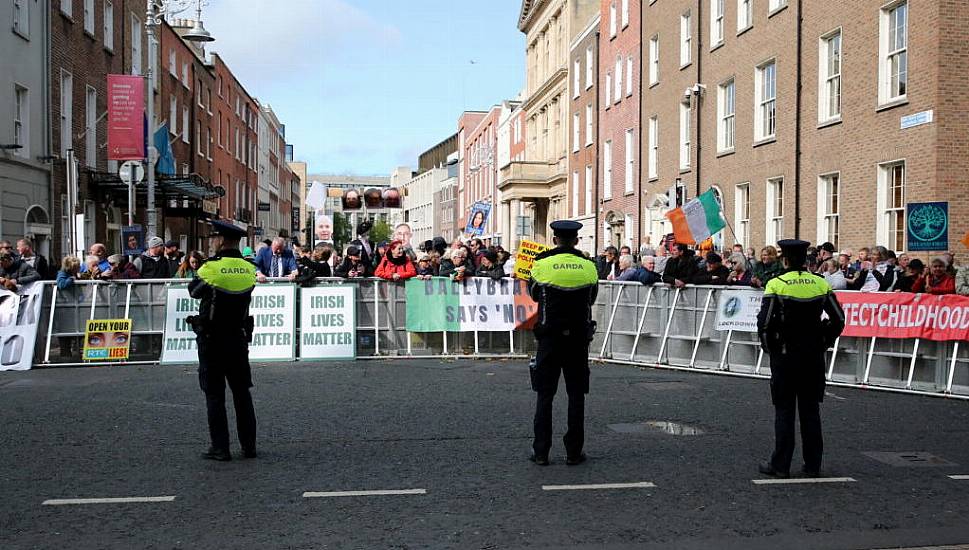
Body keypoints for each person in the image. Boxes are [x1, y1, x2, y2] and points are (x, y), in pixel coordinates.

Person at [757, 239, 845, 479]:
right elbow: (838, 319)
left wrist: (770, 349)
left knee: (784, 410)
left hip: (785, 355)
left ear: (784, 259)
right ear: (805, 260)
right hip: (813, 355)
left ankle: (781, 464)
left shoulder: (776, 283)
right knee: (810, 410)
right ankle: (813, 464)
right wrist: (824, 341)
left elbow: (764, 324)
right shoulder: (820, 282)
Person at [528, 220, 599, 466]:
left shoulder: (541, 264)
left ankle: (541, 452)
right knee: (576, 396)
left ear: (555, 238)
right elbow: (591, 298)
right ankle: (573, 452)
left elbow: (534, 294)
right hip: (578, 339)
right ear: (576, 240)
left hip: (549, 338)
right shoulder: (589, 266)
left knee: (544, 396)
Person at [188, 220, 258, 462]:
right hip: (238, 337)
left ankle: (221, 447)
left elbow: (194, 291)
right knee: (242, 392)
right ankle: (249, 446)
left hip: (212, 339)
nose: (211, 241)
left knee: (215, 394)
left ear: (221, 240)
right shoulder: (249, 268)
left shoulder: (211, 268)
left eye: (213, 238)